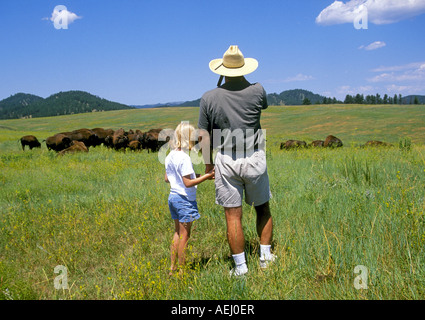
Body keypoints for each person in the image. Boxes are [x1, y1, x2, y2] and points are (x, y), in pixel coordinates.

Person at [198, 45, 275, 276]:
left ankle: (241, 268)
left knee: (233, 215)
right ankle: (265, 258)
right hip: (254, 155)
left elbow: (204, 135)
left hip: (226, 158)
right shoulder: (258, 89)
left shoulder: (208, 97)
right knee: (263, 208)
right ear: (244, 66)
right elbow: (261, 106)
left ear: (221, 70)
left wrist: (208, 164)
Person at [164, 121, 215, 275]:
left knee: (177, 233)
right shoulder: (184, 158)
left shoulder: (170, 155)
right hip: (184, 200)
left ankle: (172, 268)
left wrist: (199, 176)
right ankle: (182, 271)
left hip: (173, 197)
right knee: (185, 236)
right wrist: (207, 176)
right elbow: (187, 183)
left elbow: (168, 178)